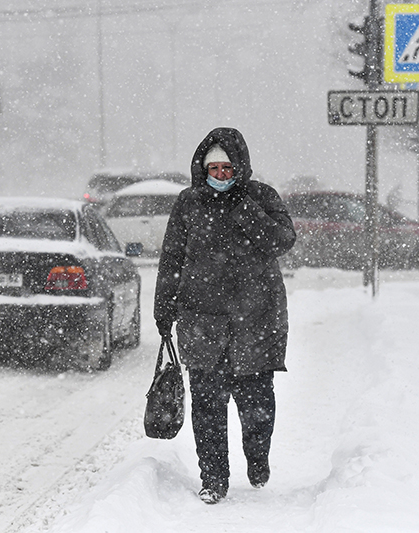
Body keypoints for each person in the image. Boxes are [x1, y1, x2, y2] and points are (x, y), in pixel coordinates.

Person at [153, 127, 296, 504]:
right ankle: (214, 478)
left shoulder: (261, 197)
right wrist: (164, 306)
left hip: (257, 319)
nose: (220, 175)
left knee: (257, 405)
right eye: (213, 168)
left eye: (227, 168)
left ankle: (257, 457)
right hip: (202, 321)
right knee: (207, 406)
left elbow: (282, 241)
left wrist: (244, 210)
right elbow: (171, 259)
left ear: (240, 167)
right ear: (202, 168)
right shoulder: (188, 203)